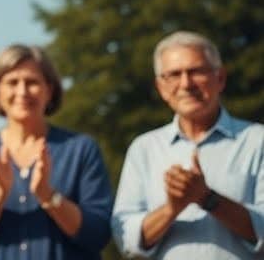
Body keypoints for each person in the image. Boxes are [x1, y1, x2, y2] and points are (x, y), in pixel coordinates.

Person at [0, 44, 112, 258]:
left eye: (32, 82)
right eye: (12, 82)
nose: (22, 91)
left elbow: (98, 235)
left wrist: (48, 195)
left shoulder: (81, 149)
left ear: (50, 90)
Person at [111, 31, 264, 257]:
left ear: (220, 78)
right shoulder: (144, 148)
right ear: (161, 88)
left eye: (196, 71)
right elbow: (126, 238)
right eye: (173, 74)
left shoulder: (257, 141)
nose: (186, 83)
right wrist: (172, 209)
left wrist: (207, 199)